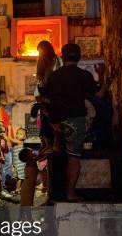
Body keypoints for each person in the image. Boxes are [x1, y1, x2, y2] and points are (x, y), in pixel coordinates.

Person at [44, 43, 106, 202]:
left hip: (55, 122)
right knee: (73, 157)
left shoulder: (53, 76)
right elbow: (99, 95)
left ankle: (53, 193)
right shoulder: (84, 76)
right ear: (78, 57)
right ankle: (70, 194)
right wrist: (102, 75)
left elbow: (46, 100)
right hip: (75, 121)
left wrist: (52, 121)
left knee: (56, 156)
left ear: (62, 57)